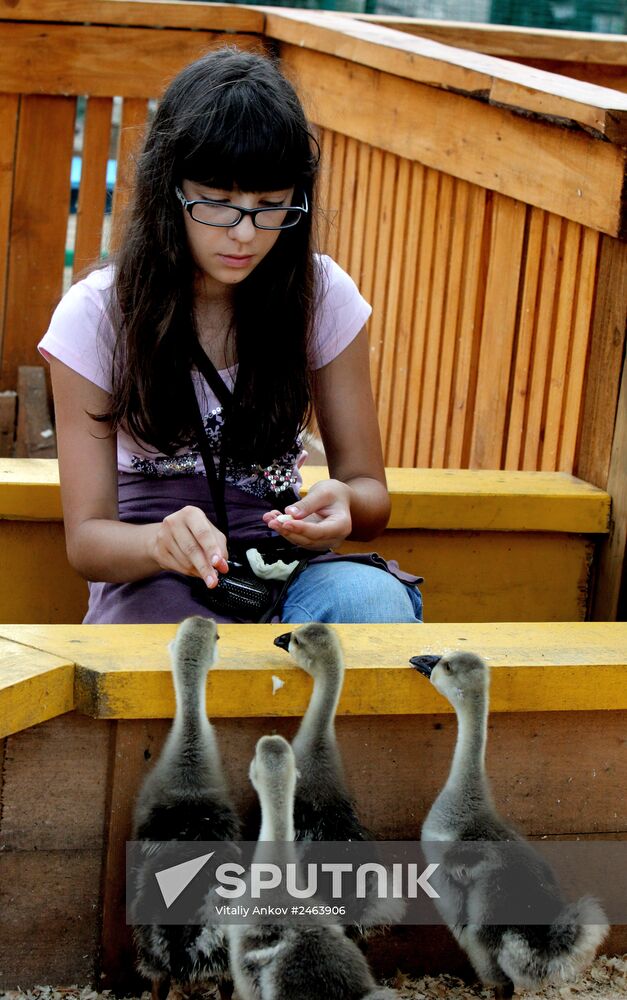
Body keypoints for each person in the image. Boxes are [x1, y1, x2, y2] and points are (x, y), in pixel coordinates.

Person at [39, 46, 423, 625]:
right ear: (168, 189)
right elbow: (88, 542)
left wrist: (344, 503)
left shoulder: (319, 293)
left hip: (284, 558)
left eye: (271, 206)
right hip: (160, 569)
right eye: (217, 203)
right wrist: (156, 545)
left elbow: (369, 493)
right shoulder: (97, 315)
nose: (245, 233)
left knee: (373, 605)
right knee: (182, 649)